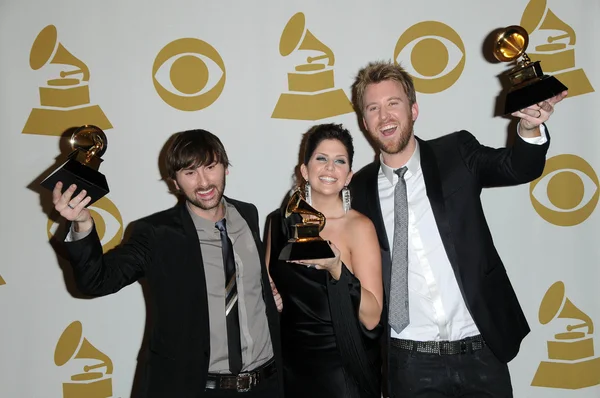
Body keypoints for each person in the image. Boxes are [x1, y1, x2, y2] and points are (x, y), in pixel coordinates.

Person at [348, 60, 567, 398]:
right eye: (373, 108)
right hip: (408, 362)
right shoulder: (359, 189)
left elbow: (517, 167)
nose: (385, 116)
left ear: (414, 109)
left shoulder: (455, 152)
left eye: (394, 103)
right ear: (364, 122)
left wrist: (529, 129)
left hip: (479, 349)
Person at [51, 129, 284, 398]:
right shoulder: (156, 234)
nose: (204, 182)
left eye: (210, 167)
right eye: (189, 172)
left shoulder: (248, 214)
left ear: (225, 167)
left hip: (265, 385)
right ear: (174, 181)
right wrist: (81, 223)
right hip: (195, 388)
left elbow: (254, 286)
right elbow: (95, 281)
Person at [266, 123, 384, 398]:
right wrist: (271, 299)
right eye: (321, 158)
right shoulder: (278, 223)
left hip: (341, 371)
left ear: (349, 175)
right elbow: (267, 288)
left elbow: (372, 316)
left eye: (339, 161)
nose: (330, 168)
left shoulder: (360, 227)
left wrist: (336, 267)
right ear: (304, 171)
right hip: (290, 369)